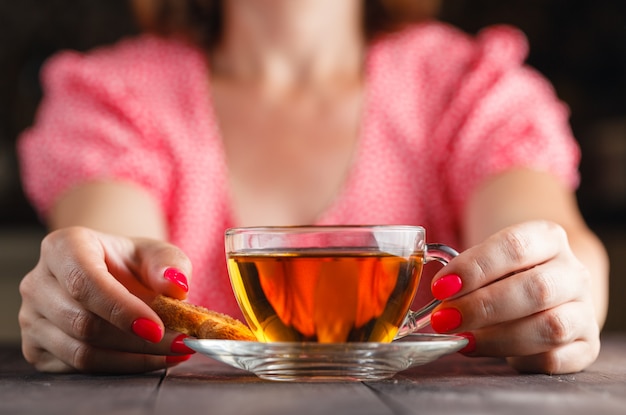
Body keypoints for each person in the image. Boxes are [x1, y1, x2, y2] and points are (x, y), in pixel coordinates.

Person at [16, 0, 608, 375]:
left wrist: (560, 289)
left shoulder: (468, 88)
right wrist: (89, 294)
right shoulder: (117, 96)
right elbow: (118, 259)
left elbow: (553, 240)